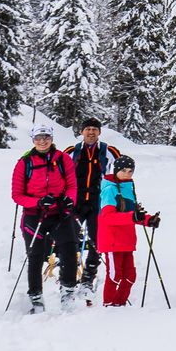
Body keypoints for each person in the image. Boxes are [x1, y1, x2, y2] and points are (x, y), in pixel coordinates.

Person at [14, 126, 83, 311]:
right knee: (35, 256)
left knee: (69, 251)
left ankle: (68, 290)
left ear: (52, 138)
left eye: (46, 137)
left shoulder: (63, 159)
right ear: (33, 140)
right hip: (33, 216)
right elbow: (17, 195)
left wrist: (69, 199)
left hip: (59, 213)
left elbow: (72, 185)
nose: (42, 141)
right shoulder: (24, 163)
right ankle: (36, 296)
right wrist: (37, 202)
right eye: (38, 138)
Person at [95, 155, 160, 307]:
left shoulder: (128, 188)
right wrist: (133, 216)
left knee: (130, 276)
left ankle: (119, 305)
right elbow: (108, 217)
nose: (127, 174)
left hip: (127, 240)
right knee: (114, 276)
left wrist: (148, 220)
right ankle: (108, 306)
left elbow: (134, 214)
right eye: (123, 170)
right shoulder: (109, 190)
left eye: (130, 171)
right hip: (112, 240)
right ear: (116, 170)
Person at [67, 120, 124, 290]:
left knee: (97, 239)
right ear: (82, 132)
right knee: (69, 238)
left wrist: (120, 199)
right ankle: (68, 276)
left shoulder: (109, 151)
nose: (91, 132)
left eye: (94, 129)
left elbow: (121, 173)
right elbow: (59, 174)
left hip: (97, 202)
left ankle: (88, 276)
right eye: (87, 129)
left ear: (99, 132)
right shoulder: (72, 152)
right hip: (75, 202)